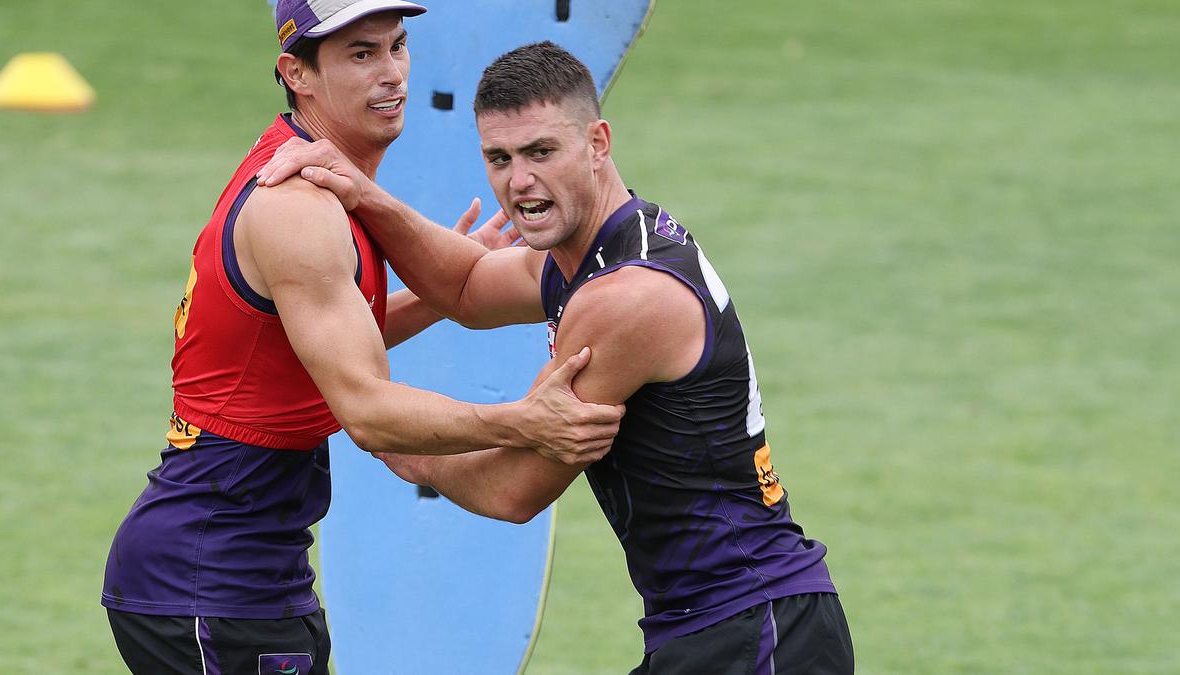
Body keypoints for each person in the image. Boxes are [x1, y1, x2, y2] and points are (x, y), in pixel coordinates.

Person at [257, 41, 854, 674]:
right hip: (723, 623)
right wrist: (364, 195)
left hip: (754, 626)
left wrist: (402, 446)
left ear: (598, 143)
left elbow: (514, 491)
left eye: (541, 152)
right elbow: (466, 287)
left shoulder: (625, 298)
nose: (519, 182)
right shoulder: (595, 251)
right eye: (499, 158)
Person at [101, 5, 624, 673]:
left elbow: (319, 341)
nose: (392, 73)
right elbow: (368, 412)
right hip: (208, 577)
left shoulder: (323, 182)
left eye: (397, 46)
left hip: (252, 570)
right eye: (360, 54)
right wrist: (522, 422)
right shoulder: (298, 209)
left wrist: (444, 291)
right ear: (297, 74)